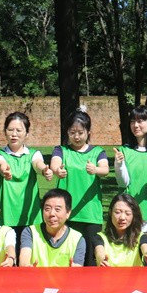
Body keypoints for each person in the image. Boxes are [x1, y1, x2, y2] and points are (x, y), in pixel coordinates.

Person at [49, 109, 109, 265]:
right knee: (67, 257)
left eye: (80, 132)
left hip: (90, 214)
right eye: (72, 132)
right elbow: (55, 163)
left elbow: (105, 169)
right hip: (66, 213)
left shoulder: (97, 152)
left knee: (90, 259)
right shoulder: (61, 150)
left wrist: (95, 170)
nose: (76, 136)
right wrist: (57, 170)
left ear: (88, 132)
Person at [0, 112, 51, 244]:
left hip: (30, 216)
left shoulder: (34, 154)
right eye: (10, 130)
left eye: (19, 130)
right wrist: (4, 169)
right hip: (5, 217)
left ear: (27, 134)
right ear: (5, 132)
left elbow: (37, 163)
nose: (14, 134)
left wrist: (44, 170)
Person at [113, 105, 147, 222]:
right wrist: (119, 165)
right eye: (132, 121)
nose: (135, 125)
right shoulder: (123, 151)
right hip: (129, 213)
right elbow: (123, 183)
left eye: (140, 121)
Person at [19, 188, 86, 267]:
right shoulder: (30, 232)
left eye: (57, 209)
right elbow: (24, 260)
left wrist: (75, 270)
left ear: (68, 213)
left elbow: (77, 267)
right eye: (47, 209)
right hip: (35, 275)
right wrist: (26, 267)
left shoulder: (77, 239)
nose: (52, 214)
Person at [95, 194, 143, 267]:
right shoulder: (100, 237)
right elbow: (99, 251)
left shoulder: (141, 237)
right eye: (117, 212)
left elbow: (146, 248)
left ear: (134, 215)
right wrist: (102, 260)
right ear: (110, 213)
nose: (122, 218)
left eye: (127, 213)